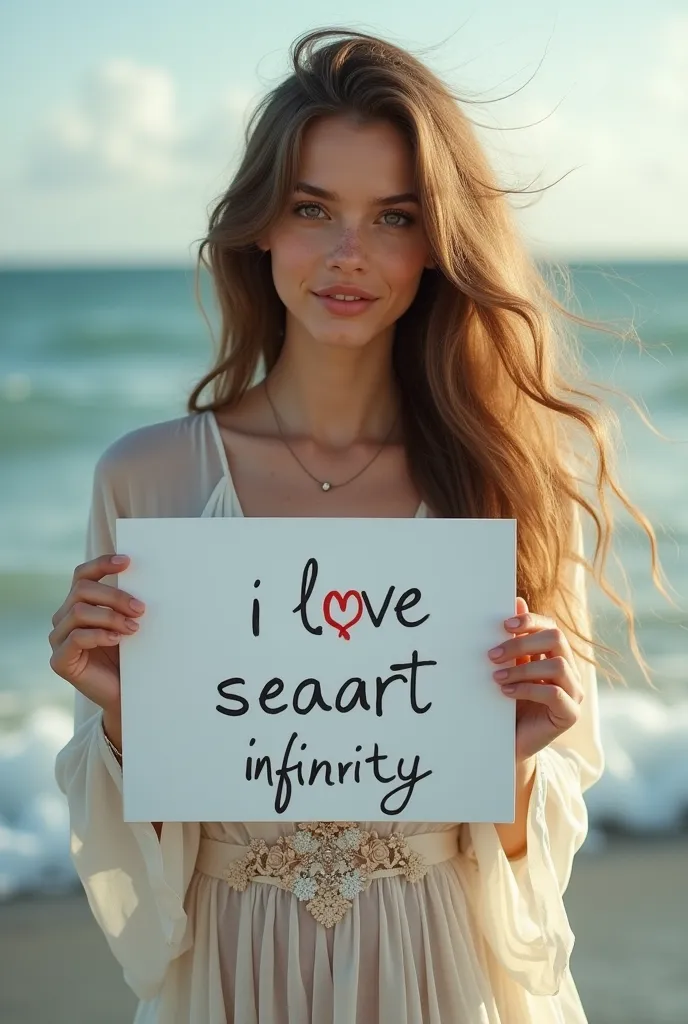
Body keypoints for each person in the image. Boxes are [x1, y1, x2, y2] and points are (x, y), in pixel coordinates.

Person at [51, 27, 664, 1024]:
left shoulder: (502, 478)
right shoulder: (147, 477)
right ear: (260, 227)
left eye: (392, 216)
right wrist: (122, 714)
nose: (348, 254)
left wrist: (516, 750)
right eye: (313, 210)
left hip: (444, 969)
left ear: (436, 243)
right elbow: (152, 870)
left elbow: (524, 878)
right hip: (233, 970)